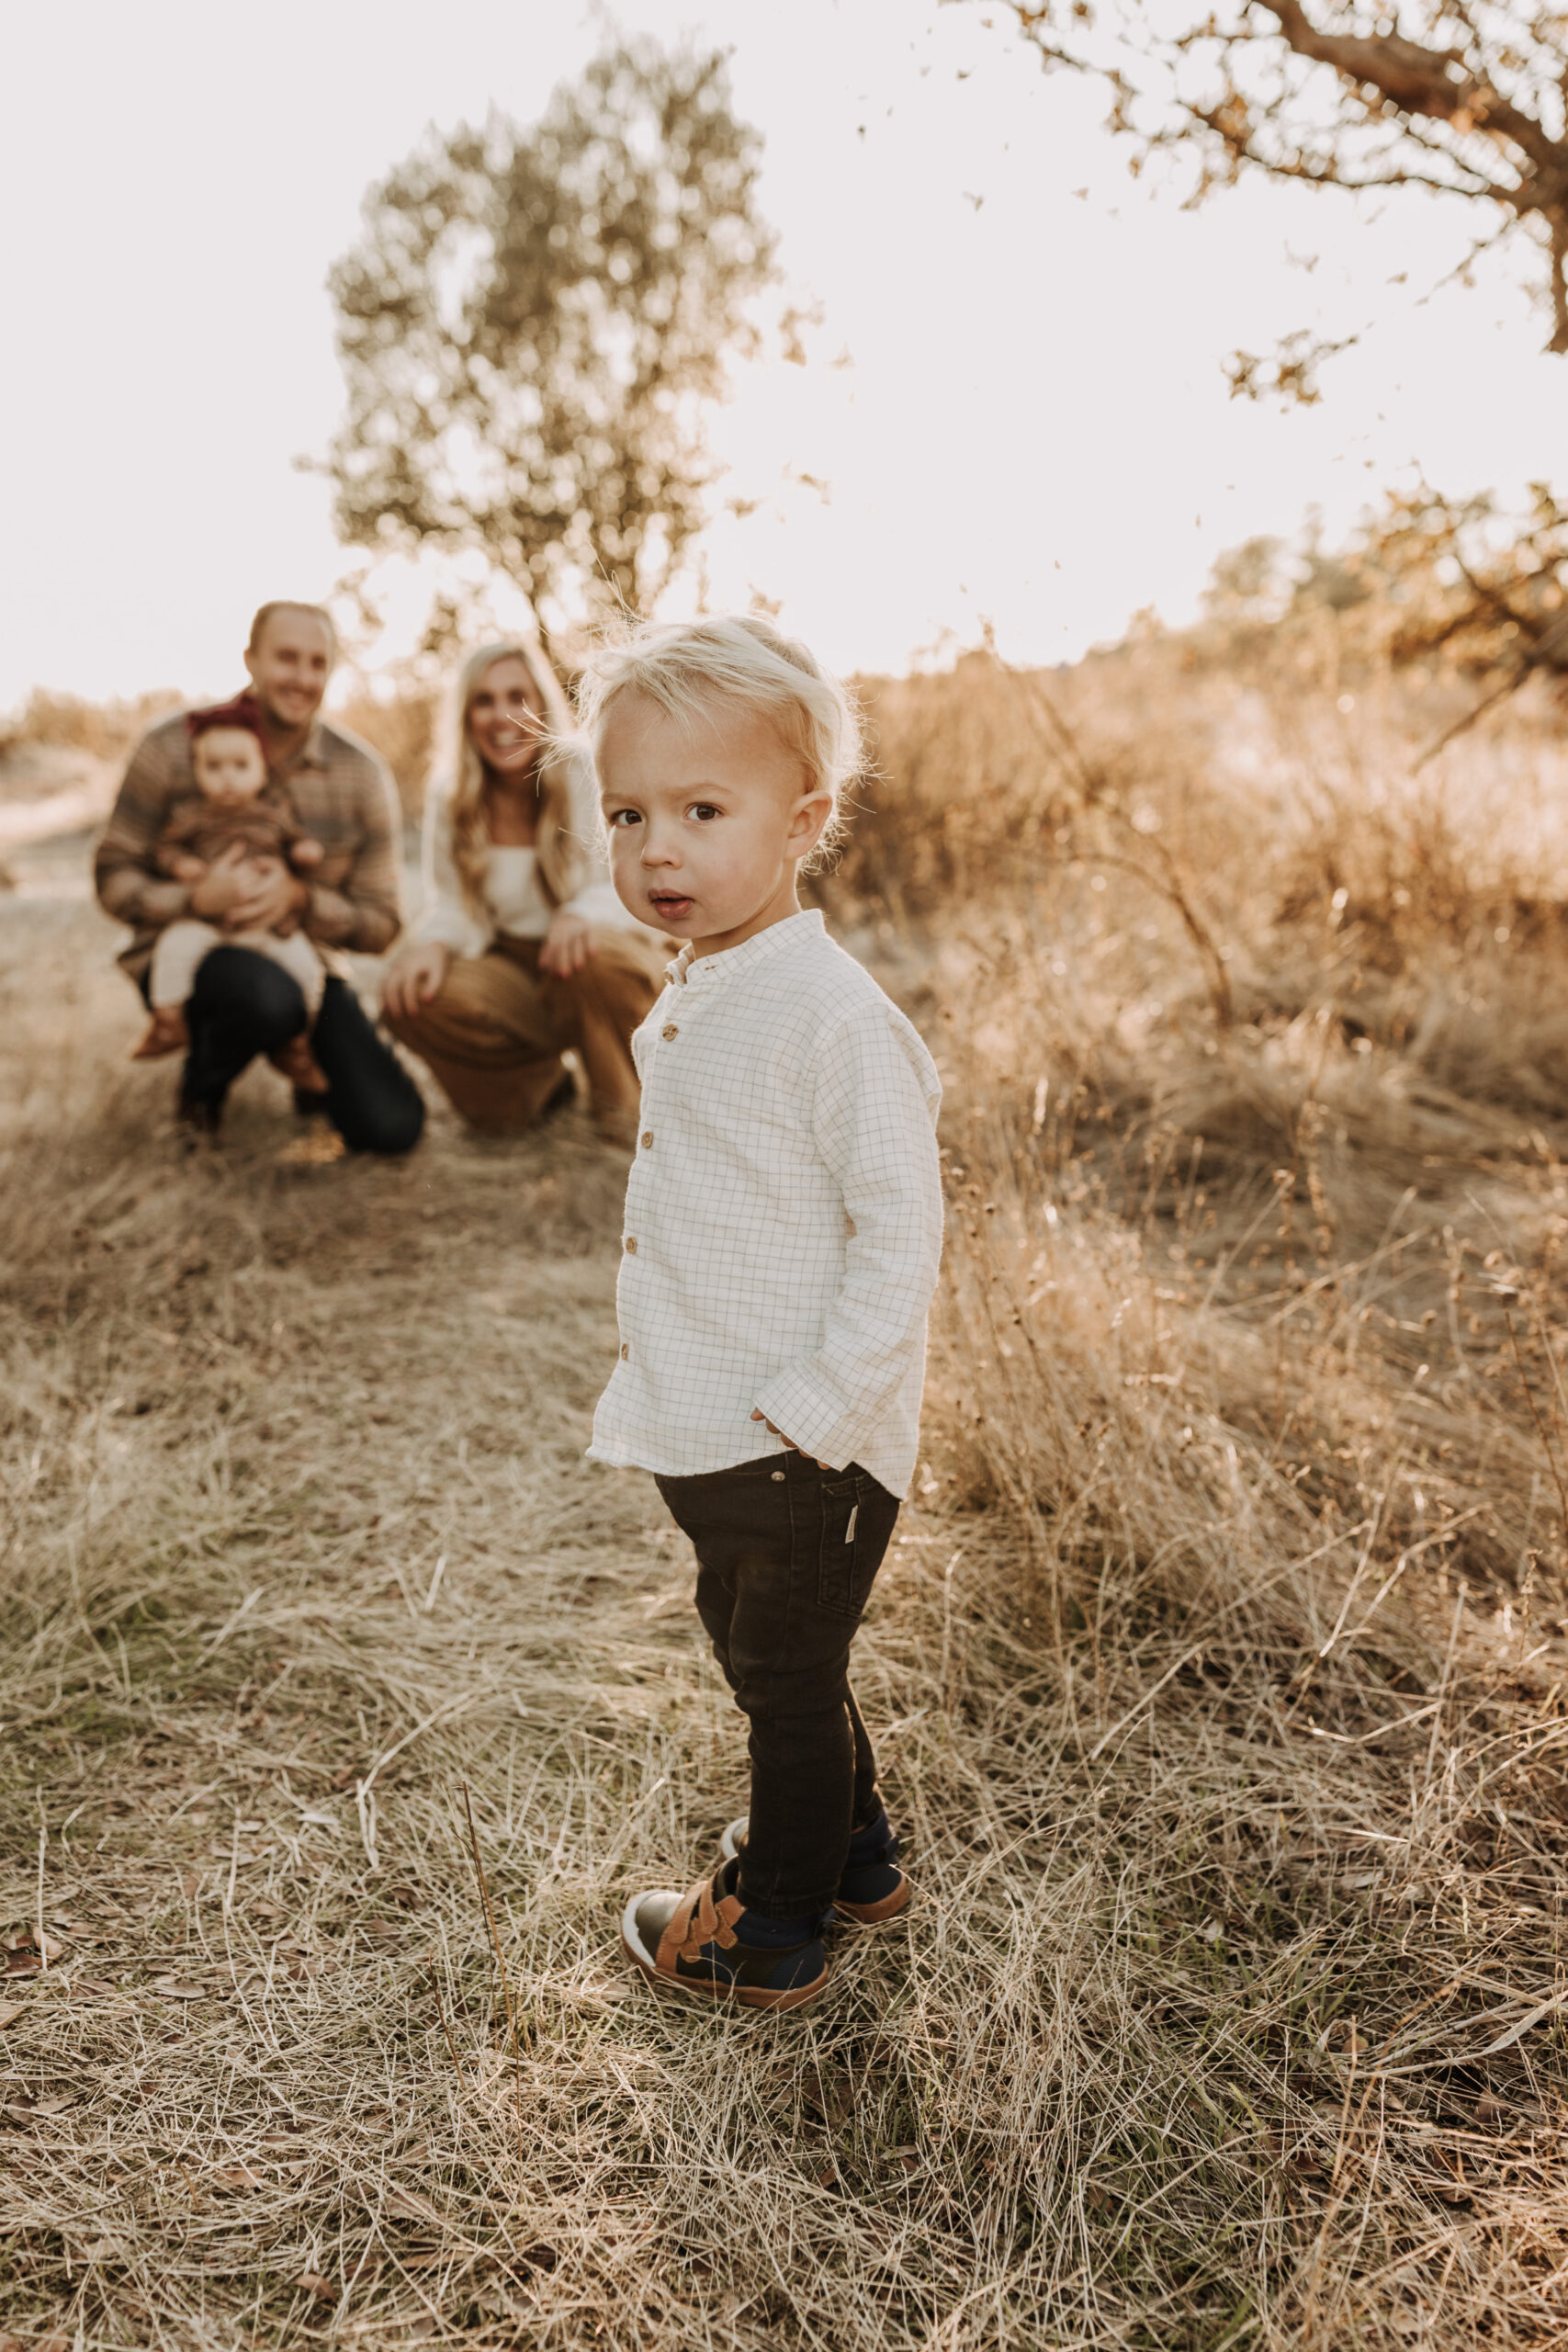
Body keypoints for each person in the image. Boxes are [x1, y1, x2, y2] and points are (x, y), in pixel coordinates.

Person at [577, 615, 944, 2014]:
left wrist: (812, 1407)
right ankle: (851, 1853)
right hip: (729, 1425)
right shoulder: (714, 981)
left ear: (801, 823)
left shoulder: (828, 1016)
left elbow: (899, 1236)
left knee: (781, 1678)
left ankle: (774, 1926)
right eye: (628, 813)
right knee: (771, 1649)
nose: (654, 848)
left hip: (799, 1434)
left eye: (699, 811)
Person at [96, 602, 425, 1151]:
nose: (302, 677)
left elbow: (382, 924)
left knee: (391, 1128)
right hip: (194, 956)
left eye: (317, 663)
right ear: (250, 659)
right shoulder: (170, 746)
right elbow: (112, 873)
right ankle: (202, 1091)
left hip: (300, 957)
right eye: (286, 658)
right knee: (261, 997)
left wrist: (302, 899)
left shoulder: (360, 773)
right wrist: (193, 897)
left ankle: (305, 1067)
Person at [380, 639, 670, 1142]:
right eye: (483, 700)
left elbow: (640, 877)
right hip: (520, 970)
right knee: (410, 996)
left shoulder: (587, 771)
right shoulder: (451, 794)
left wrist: (581, 912)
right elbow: (453, 902)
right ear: (466, 715)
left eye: (517, 696)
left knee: (588, 955)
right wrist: (432, 943)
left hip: (607, 957)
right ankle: (531, 1096)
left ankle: (627, 1120)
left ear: (540, 702)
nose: (501, 716)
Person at [131, 695, 326, 1091]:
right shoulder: (191, 816)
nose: (227, 778)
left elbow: (296, 842)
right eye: (214, 767)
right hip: (208, 922)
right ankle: (168, 1021)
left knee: (308, 967)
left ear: (261, 769)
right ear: (197, 771)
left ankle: (297, 1044)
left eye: (240, 766)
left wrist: (305, 853)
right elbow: (164, 849)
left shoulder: (273, 813)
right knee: (174, 947)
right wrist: (181, 866)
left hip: (266, 925)